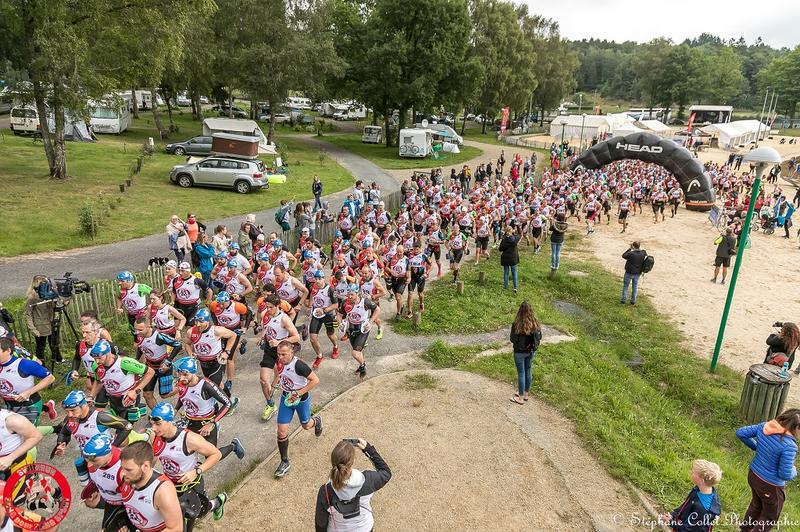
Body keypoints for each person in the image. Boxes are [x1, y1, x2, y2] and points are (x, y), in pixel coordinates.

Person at [148, 402, 229, 529]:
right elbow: (152, 459)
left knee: (193, 516)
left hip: (191, 484)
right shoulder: (155, 436)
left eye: (158, 424)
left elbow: (216, 454)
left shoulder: (189, 439)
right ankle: (215, 503)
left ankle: (217, 502)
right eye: (152, 423)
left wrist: (196, 471)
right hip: (171, 485)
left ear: (170, 421)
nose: (153, 428)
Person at [735, 409, 799, 532]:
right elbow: (784, 474)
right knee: (769, 516)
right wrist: (794, 470)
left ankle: (744, 529)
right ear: (796, 428)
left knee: (756, 505)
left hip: (754, 475)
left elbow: (741, 433)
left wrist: (756, 447)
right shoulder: (790, 445)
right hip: (771, 485)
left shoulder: (766, 426)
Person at [314, 439, 392, 532]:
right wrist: (368, 449)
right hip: (364, 528)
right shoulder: (368, 480)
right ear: (353, 461)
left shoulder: (325, 491)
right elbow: (386, 472)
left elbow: (320, 522)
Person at [273, 340, 323, 478]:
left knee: (306, 425)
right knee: (281, 431)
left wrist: (298, 393)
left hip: (301, 399)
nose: (281, 357)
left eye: (284, 354)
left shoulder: (299, 365)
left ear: (291, 352)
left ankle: (316, 421)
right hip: (286, 399)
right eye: (279, 354)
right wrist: (275, 382)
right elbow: (279, 373)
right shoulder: (280, 362)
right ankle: (284, 462)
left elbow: (315, 380)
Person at [119, 441, 183, 532]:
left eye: (129, 470)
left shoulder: (162, 491)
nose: (123, 473)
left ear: (145, 466)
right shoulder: (130, 478)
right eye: (122, 468)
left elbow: (176, 529)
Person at [258, 294, 301, 422]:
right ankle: (270, 404)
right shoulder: (265, 314)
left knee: (290, 379)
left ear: (277, 306)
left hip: (283, 351)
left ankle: (296, 399)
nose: (268, 310)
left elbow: (296, 337)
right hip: (269, 350)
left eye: (271, 307)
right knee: (263, 380)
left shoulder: (284, 319)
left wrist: (279, 342)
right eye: (266, 307)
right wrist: (262, 337)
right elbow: (266, 327)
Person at [89, 339, 155, 422]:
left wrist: (136, 391)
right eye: (94, 358)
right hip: (113, 400)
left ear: (108, 352)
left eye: (99, 358)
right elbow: (98, 381)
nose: (97, 361)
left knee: (124, 430)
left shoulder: (124, 363)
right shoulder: (96, 366)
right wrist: (91, 396)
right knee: (119, 427)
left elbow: (150, 372)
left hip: (128, 398)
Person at [81, 433, 133, 531]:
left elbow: (135, 502)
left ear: (108, 452)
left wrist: (124, 522)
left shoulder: (123, 470)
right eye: (87, 459)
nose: (90, 463)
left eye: (94, 459)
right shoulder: (92, 459)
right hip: (110, 503)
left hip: (125, 506)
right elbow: (97, 478)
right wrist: (94, 491)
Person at [0, 337, 56, 425]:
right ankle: (47, 407)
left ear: (8, 350)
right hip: (8, 405)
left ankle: (58, 429)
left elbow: (50, 378)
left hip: (29, 403)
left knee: (28, 434)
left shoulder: (25, 364)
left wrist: (28, 392)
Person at [659, 459, 722, 532]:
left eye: (693, 472)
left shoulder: (703, 509)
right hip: (682, 523)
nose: (691, 472)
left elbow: (688, 530)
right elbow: (685, 506)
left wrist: (671, 522)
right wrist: (674, 515)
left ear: (701, 480)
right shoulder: (699, 489)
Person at [185, 309, 236, 388]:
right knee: (218, 385)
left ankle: (221, 400)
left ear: (208, 321)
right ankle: (229, 399)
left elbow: (233, 335)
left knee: (212, 386)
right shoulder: (191, 332)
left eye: (201, 322)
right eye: (196, 321)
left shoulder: (216, 330)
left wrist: (226, 352)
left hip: (217, 362)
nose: (198, 324)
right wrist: (190, 353)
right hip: (203, 363)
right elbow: (187, 344)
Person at [509, 301, 542, 404]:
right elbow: (539, 337)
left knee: (521, 373)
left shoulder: (516, 324)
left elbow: (512, 339)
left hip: (519, 352)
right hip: (531, 351)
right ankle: (526, 393)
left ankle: (520, 397)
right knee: (528, 371)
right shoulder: (535, 324)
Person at [23, 275, 60, 364]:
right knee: (40, 347)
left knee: (54, 343)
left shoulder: (49, 294)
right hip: (40, 327)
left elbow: (56, 306)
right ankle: (40, 364)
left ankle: (58, 359)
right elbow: (28, 315)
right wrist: (33, 329)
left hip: (51, 323)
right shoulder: (32, 298)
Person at [621, 241, 647, 306]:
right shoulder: (643, 253)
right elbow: (645, 253)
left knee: (625, 286)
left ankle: (623, 300)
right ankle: (633, 301)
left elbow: (623, 255)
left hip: (629, 272)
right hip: (637, 273)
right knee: (635, 287)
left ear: (633, 246)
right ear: (639, 246)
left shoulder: (631, 253)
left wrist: (630, 248)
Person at [498, 225, 521, 293]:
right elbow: (520, 234)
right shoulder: (515, 239)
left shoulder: (504, 239)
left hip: (505, 258)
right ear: (511, 231)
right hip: (513, 258)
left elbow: (500, 249)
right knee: (514, 273)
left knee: (506, 272)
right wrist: (517, 226)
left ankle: (505, 286)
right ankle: (515, 287)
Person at [549, 213, 567, 278]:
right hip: (560, 240)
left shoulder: (555, 224)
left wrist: (552, 222)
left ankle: (553, 265)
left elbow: (550, 229)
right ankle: (557, 265)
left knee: (553, 252)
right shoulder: (565, 224)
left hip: (554, 239)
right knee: (558, 253)